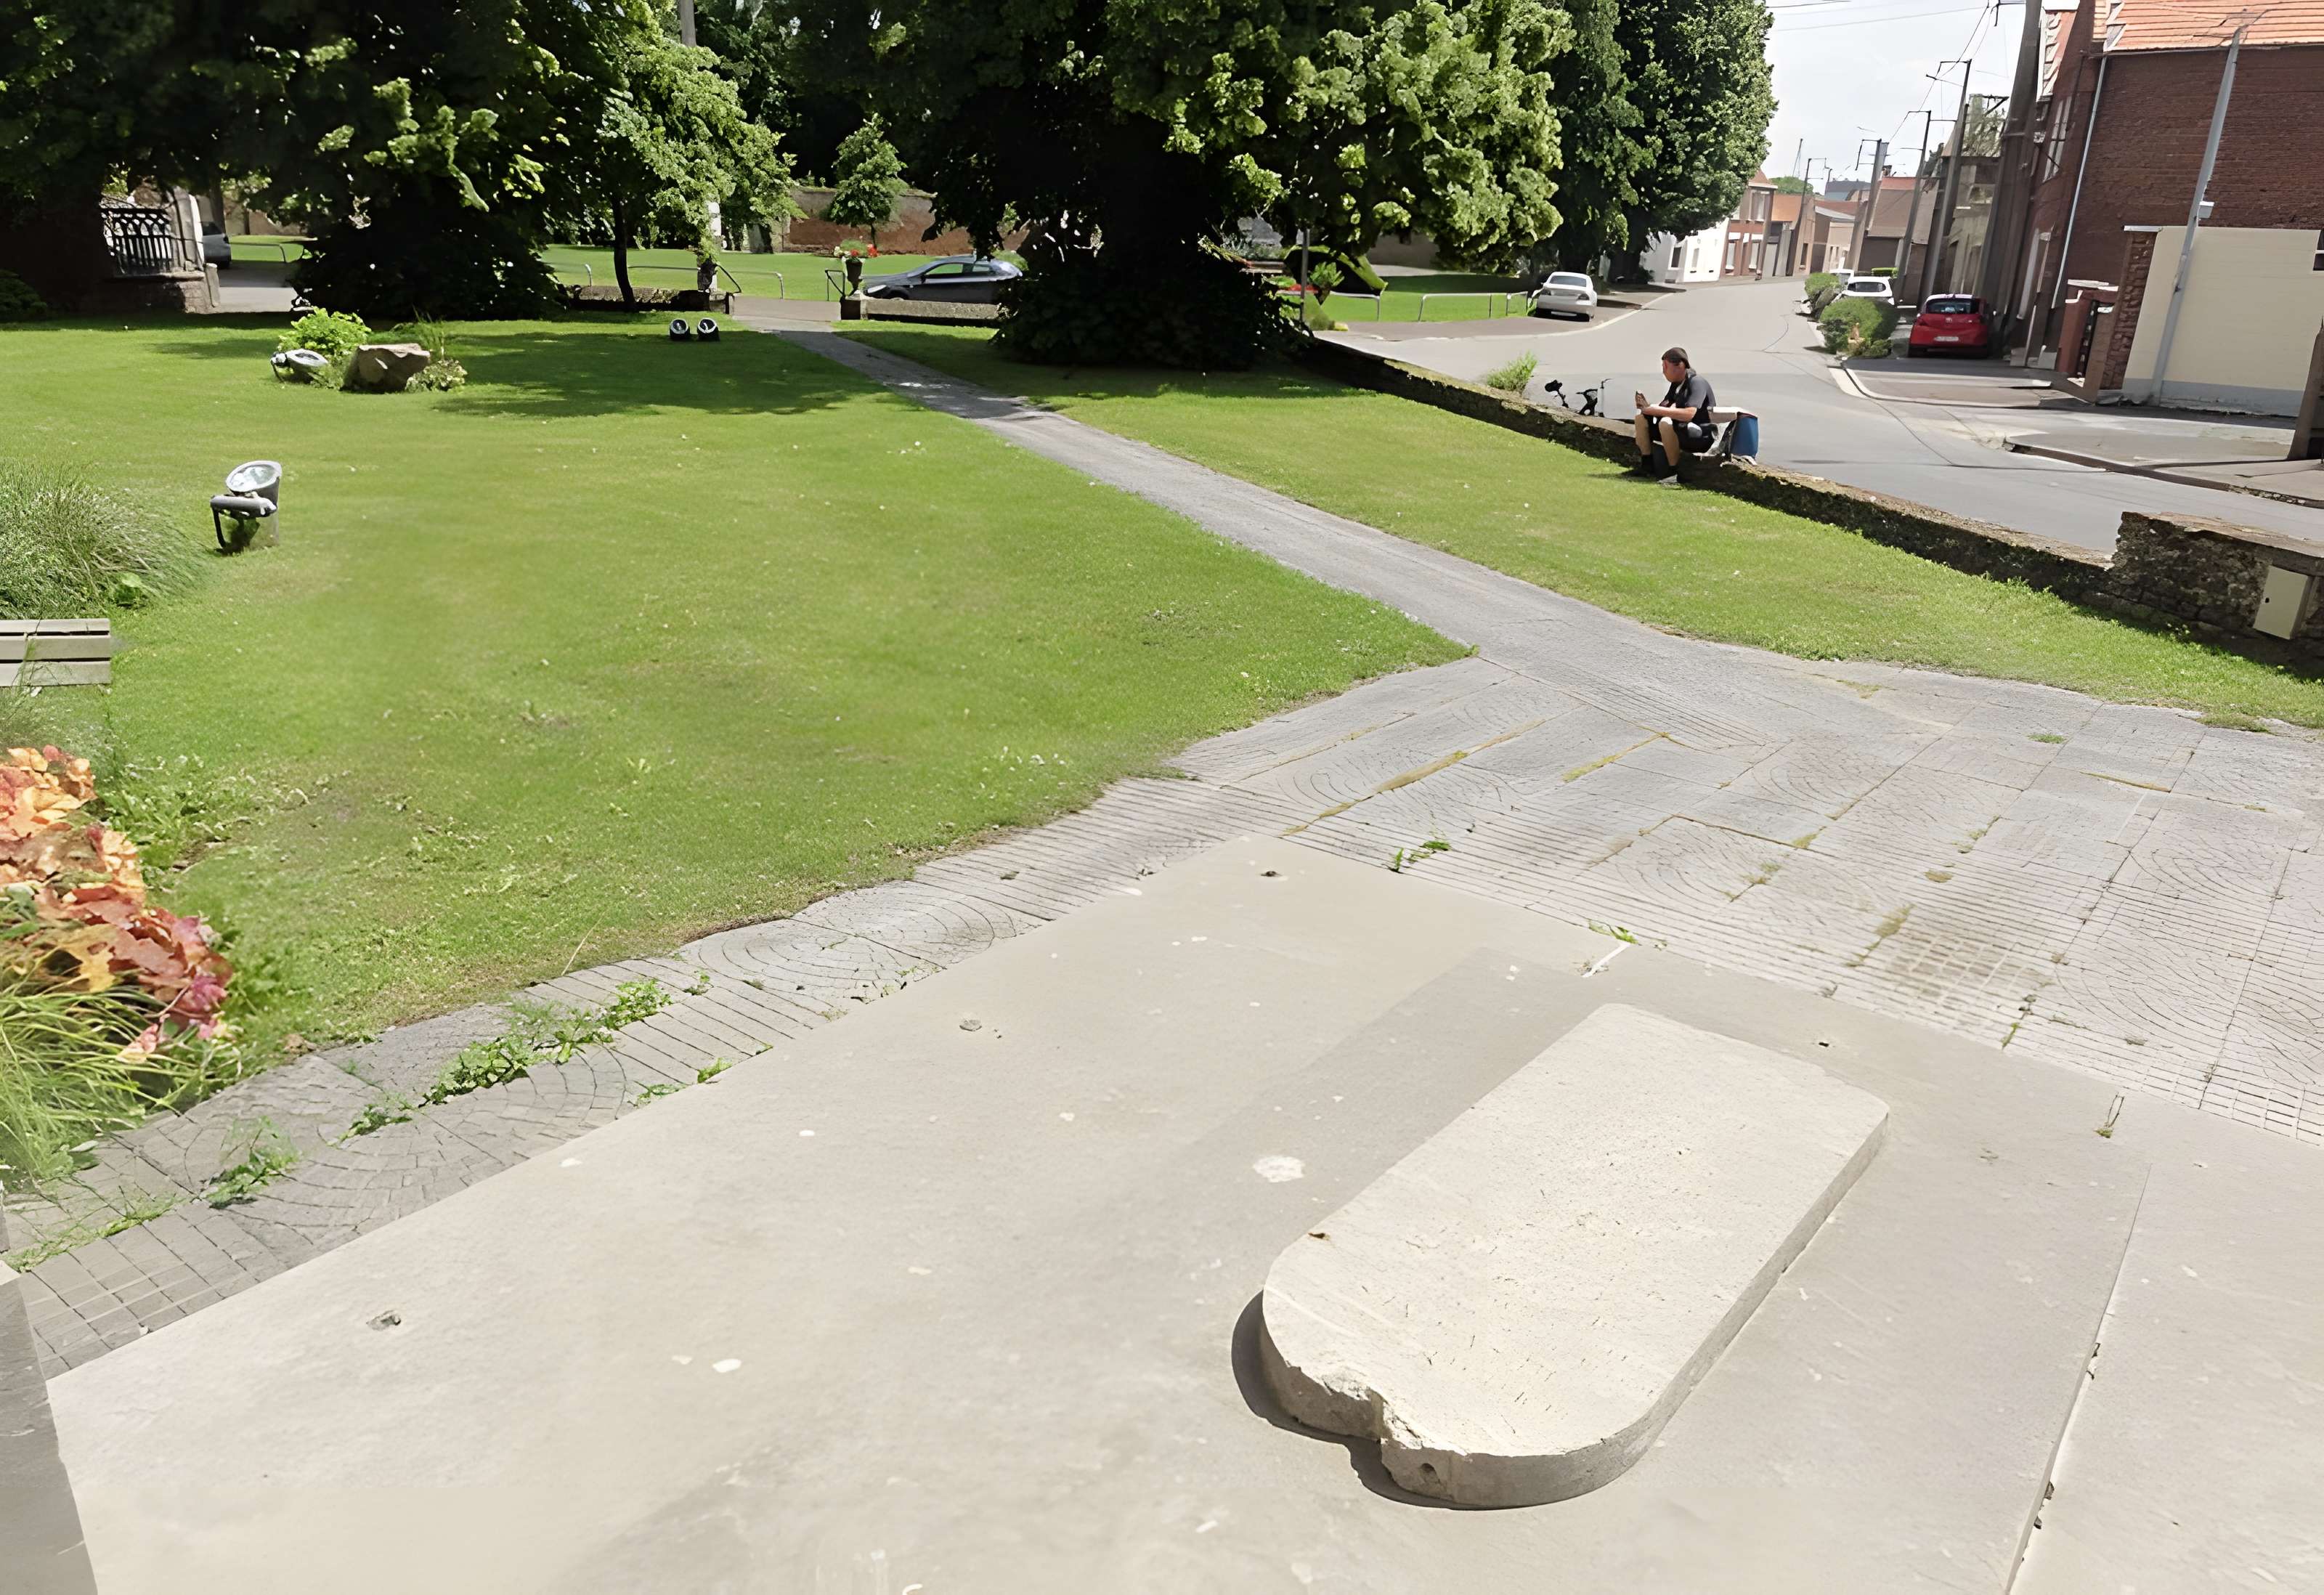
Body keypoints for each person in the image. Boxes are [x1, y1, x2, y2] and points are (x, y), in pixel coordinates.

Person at [1633, 347, 1716, 482]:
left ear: (1680, 365)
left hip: (1700, 435)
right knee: (1641, 419)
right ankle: (1647, 466)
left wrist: (1655, 410)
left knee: (1666, 423)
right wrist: (1647, 408)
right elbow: (1665, 407)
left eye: (1666, 366)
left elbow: (1689, 414)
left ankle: (1673, 473)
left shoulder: (1697, 382)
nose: (1663, 371)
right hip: (1680, 430)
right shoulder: (1676, 385)